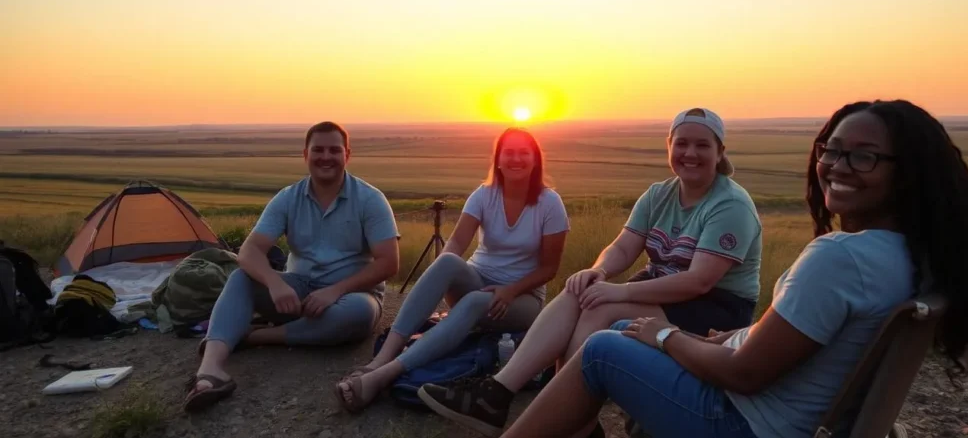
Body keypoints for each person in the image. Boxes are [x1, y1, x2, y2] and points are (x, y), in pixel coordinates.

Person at [494, 99, 968, 438]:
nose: (834, 166)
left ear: (908, 174)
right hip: (789, 414)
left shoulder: (840, 257)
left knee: (606, 349)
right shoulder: (909, 256)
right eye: (830, 150)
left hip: (744, 424)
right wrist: (737, 336)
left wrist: (665, 339)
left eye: (864, 157)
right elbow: (794, 341)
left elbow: (745, 374)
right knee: (621, 326)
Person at [420, 107, 763, 437]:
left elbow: (699, 280)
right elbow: (624, 247)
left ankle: (567, 420)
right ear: (669, 146)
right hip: (662, 289)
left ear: (720, 152)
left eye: (702, 145)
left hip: (716, 305)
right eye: (682, 143)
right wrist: (597, 272)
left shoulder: (729, 204)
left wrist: (620, 291)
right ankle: (497, 393)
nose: (690, 153)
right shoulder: (660, 194)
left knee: (603, 306)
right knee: (579, 291)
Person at [333, 127, 570, 413]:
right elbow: (457, 241)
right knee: (446, 261)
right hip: (476, 281)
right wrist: (443, 276)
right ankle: (378, 361)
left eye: (524, 153)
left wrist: (510, 290)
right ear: (498, 159)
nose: (516, 159)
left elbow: (549, 268)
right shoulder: (484, 195)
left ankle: (385, 375)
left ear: (535, 160)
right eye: (509, 152)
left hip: (522, 298)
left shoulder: (549, 203)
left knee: (473, 301)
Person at [183, 121, 401, 412]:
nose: (326, 157)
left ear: (347, 154)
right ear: (305, 154)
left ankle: (256, 336)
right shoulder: (288, 198)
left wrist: (335, 291)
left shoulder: (370, 199)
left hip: (353, 295)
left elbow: (389, 262)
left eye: (334, 150)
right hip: (297, 289)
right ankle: (211, 371)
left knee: (358, 314)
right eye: (318, 150)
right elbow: (249, 251)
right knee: (240, 279)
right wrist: (275, 283)